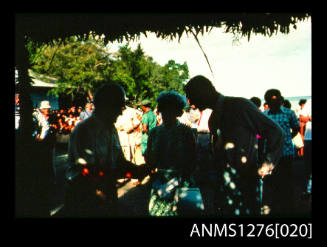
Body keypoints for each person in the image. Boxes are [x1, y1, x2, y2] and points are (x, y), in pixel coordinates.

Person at [184, 75, 285, 217]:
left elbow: (276, 133)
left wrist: (264, 168)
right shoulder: (213, 119)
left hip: (245, 184)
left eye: (191, 97)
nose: (191, 104)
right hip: (222, 187)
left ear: (203, 93)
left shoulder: (240, 106)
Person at [66, 83, 147, 217]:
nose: (121, 112)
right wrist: (126, 173)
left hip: (106, 193)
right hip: (85, 198)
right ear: (107, 106)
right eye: (119, 107)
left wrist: (136, 170)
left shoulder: (111, 129)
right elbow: (88, 172)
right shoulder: (84, 130)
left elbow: (119, 161)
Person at [145, 91, 197, 216]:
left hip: (182, 181)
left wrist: (181, 179)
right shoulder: (154, 132)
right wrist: (154, 176)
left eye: (171, 110)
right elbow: (149, 157)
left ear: (177, 111)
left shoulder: (186, 132)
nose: (166, 114)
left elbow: (193, 158)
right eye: (164, 109)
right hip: (160, 182)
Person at [263, 89, 300, 216]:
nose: (275, 102)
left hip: (286, 153)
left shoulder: (289, 113)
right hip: (271, 155)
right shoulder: (264, 115)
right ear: (267, 102)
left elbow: (296, 128)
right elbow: (262, 134)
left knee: (287, 183)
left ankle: (288, 209)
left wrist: (286, 139)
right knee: (273, 183)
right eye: (271, 100)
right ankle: (275, 208)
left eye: (277, 100)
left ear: (281, 100)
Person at [32, 100, 57, 215]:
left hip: (50, 143)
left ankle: (51, 180)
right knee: (42, 164)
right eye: (46, 108)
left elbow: (54, 128)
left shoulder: (52, 117)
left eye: (48, 108)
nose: (48, 110)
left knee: (51, 163)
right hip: (41, 144)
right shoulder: (37, 116)